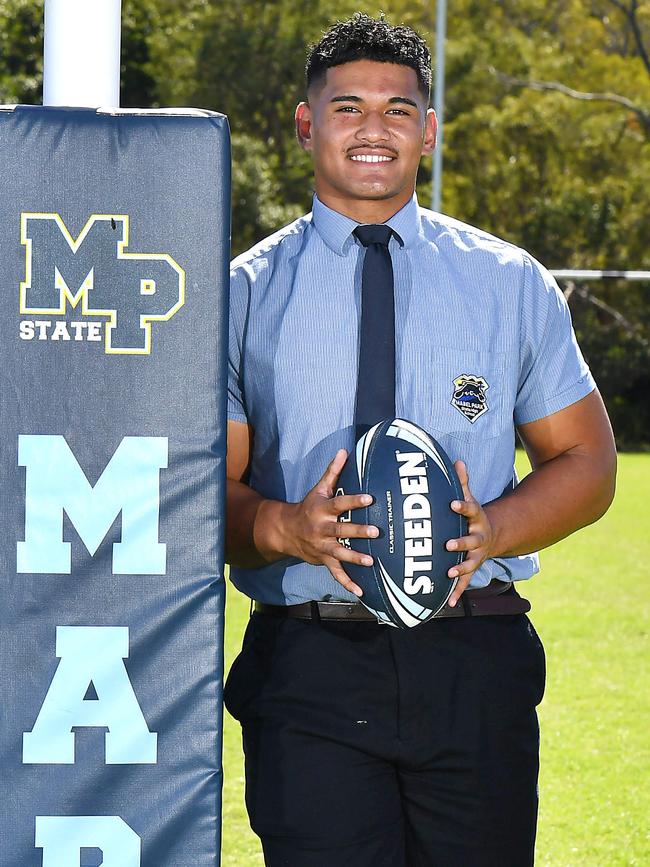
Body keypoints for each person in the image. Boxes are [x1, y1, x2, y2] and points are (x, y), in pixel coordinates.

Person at [224, 13, 616, 867]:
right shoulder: (241, 294)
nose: (374, 129)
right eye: (349, 107)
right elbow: (200, 494)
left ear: (428, 131)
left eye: (398, 111)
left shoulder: (507, 282)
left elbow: (588, 463)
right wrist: (285, 526)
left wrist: (495, 529)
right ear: (305, 124)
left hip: (472, 654)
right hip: (310, 661)